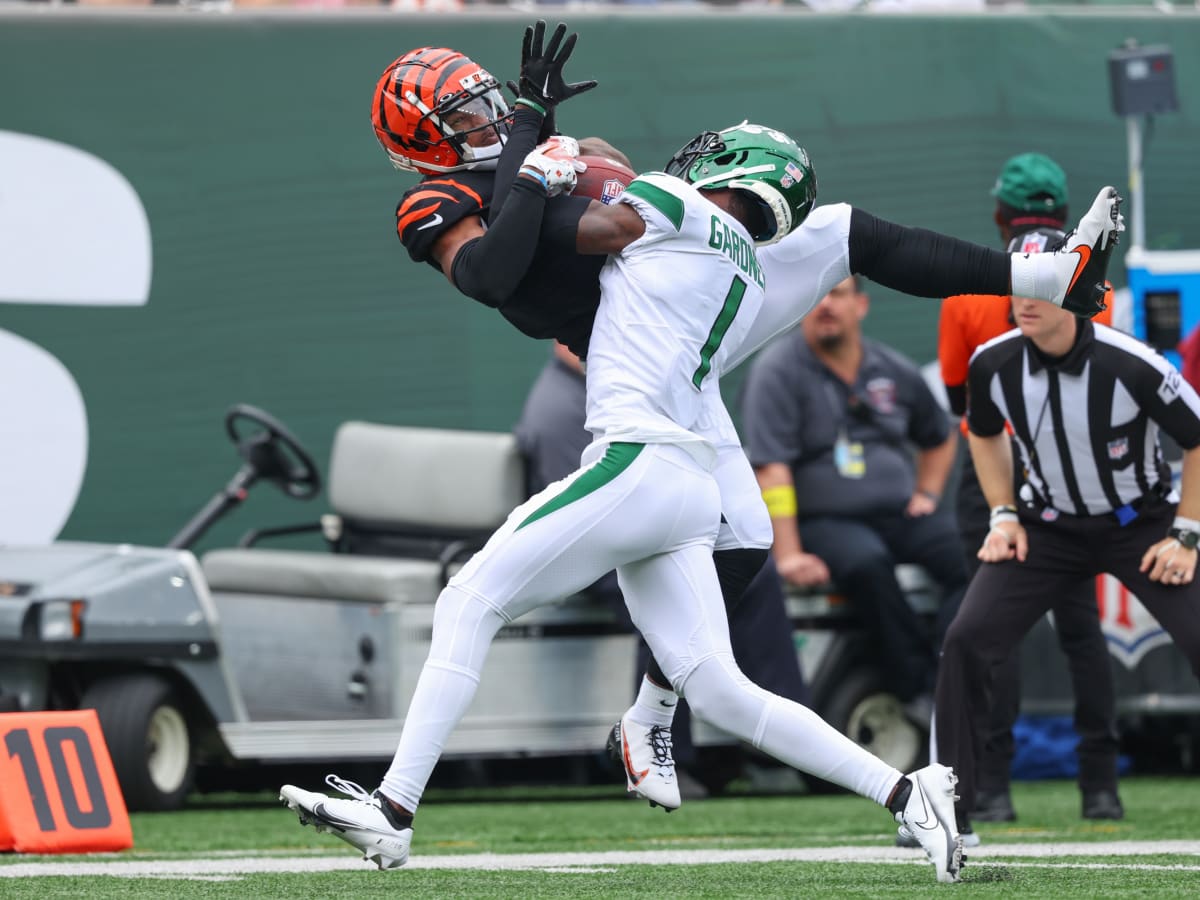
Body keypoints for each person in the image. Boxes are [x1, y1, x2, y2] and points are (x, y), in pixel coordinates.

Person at [285, 18, 1120, 833]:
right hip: (678, 368)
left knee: (832, 239)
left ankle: (1047, 274)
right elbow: (499, 268)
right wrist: (537, 148)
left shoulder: (623, 184)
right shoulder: (450, 196)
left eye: (485, 103)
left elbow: (598, 211)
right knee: (745, 543)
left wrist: (542, 154)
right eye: (463, 115)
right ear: (422, 145)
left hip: (660, 380)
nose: (487, 117)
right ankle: (764, 750)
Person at [284, 116, 969, 883]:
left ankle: (394, 810)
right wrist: (548, 152)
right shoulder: (741, 257)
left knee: (468, 601)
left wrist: (537, 165)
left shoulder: (673, 201)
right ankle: (909, 792)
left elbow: (584, 224)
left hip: (639, 461)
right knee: (720, 689)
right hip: (686, 477)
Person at [935, 285, 1200, 840]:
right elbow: (981, 433)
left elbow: (1197, 437)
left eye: (1043, 290)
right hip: (1047, 527)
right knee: (966, 639)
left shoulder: (1133, 362)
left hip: (1142, 524)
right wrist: (1003, 513)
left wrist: (1187, 532)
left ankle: (1098, 784)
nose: (1025, 303)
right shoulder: (994, 361)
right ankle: (945, 812)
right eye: (1020, 290)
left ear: (1077, 299)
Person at [515, 341, 809, 797]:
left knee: (753, 575)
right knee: (669, 607)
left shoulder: (607, 390)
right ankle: (667, 751)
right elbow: (583, 521)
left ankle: (778, 746)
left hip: (635, 540)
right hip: (591, 561)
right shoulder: (559, 410)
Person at [938, 152, 1122, 824]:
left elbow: (964, 402)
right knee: (1082, 630)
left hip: (993, 475)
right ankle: (1100, 788)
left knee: (992, 627)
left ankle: (991, 790)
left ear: (999, 215)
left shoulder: (970, 289)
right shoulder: (1087, 282)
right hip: (1070, 466)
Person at [742, 275, 966, 728]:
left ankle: (954, 679)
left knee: (968, 558)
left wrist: (928, 493)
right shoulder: (779, 370)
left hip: (900, 512)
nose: (826, 304)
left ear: (860, 305)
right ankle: (917, 688)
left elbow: (941, 436)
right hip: (825, 520)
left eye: (838, 293)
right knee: (868, 565)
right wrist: (788, 554)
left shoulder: (890, 368)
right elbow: (771, 470)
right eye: (817, 294)